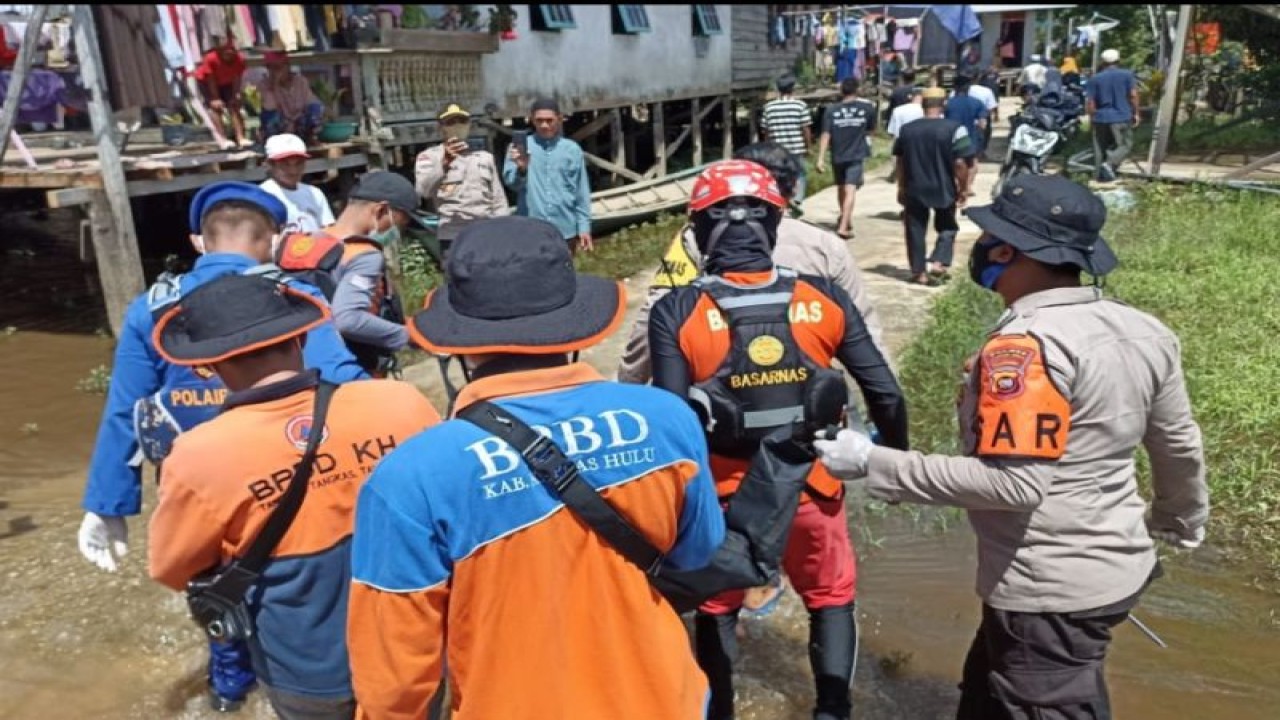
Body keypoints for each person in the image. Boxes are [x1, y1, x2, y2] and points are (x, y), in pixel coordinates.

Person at [813, 173, 1209, 720]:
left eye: (987, 237)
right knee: (989, 690)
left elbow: (1014, 484)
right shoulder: (1142, 329)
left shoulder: (1025, 347)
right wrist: (1178, 519)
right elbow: (1179, 445)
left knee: (1044, 700)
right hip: (1117, 566)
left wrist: (870, 461)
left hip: (1049, 588)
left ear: (1005, 250)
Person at [346, 215, 726, 719]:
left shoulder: (409, 479)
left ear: (457, 344)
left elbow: (393, 686)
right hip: (668, 699)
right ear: (576, 326)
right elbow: (698, 551)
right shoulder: (667, 418)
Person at [77, 181, 367, 712]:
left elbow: (126, 409)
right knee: (299, 584)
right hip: (287, 471)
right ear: (274, 238)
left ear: (199, 241)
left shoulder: (152, 307)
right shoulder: (294, 296)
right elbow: (342, 380)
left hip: (196, 482)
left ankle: (228, 694)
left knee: (218, 589)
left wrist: (108, 504)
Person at [647, 159, 909, 720]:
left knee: (718, 607)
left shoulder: (677, 309)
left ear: (699, 230)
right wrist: (895, 464)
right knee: (830, 597)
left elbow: (672, 421)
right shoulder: (824, 296)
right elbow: (884, 391)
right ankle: (832, 710)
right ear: (773, 224)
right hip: (812, 487)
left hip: (725, 500)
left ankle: (720, 712)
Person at [147, 273, 440, 719]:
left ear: (206, 365)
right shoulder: (400, 403)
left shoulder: (197, 458)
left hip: (308, 670)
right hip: (417, 646)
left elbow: (173, 568)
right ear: (301, 337)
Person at [617, 141, 889, 386]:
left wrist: (628, 384)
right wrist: (880, 391)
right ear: (793, 188)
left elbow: (653, 317)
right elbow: (866, 328)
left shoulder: (696, 239)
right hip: (808, 393)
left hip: (718, 391)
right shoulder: (826, 246)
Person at [323, 171, 433, 376]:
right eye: (398, 224)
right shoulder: (364, 256)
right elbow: (348, 319)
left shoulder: (314, 240)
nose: (397, 232)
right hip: (354, 369)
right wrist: (409, 335)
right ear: (381, 210)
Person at [894, 87, 974, 285]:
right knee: (948, 226)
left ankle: (919, 273)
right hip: (943, 187)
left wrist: (901, 187)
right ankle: (939, 261)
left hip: (914, 187)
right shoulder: (955, 128)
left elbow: (900, 162)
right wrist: (964, 187)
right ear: (944, 104)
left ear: (922, 104)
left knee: (915, 229)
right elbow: (960, 163)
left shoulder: (907, 130)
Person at [414, 103, 509, 259]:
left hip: (486, 232)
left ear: (469, 125)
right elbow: (423, 191)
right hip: (453, 235)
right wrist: (444, 164)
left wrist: (503, 229)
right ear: (441, 127)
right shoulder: (429, 157)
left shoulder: (484, 157)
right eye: (450, 122)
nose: (457, 126)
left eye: (462, 121)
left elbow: (498, 199)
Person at [502, 97, 593, 254]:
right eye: (539, 120)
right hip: (530, 229)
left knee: (564, 269)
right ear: (532, 120)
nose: (544, 125)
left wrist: (584, 227)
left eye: (549, 120)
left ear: (559, 119)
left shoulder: (572, 150)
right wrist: (522, 169)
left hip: (565, 228)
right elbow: (512, 184)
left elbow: (581, 192)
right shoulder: (518, 149)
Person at [816, 78, 877, 239]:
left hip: (838, 155)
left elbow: (825, 134)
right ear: (857, 90)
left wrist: (820, 158)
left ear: (841, 90)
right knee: (850, 190)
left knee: (842, 188)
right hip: (856, 155)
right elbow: (871, 131)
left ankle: (845, 218)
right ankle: (843, 226)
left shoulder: (831, 110)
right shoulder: (867, 108)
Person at [260, 133, 335, 233]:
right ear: (269, 165)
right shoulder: (263, 197)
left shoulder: (315, 193)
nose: (293, 171)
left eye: (298, 163)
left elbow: (328, 229)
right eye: (285, 164)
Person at [1086, 49, 1140, 182]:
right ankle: (1109, 164)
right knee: (1125, 145)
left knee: (1100, 148)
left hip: (1100, 117)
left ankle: (1099, 177)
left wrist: (1092, 118)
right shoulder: (1127, 75)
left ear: (1102, 62)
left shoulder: (1095, 78)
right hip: (1121, 116)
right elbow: (1133, 95)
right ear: (1118, 61)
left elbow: (1090, 102)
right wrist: (1136, 113)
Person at [759, 74, 814, 202]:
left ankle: (782, 199)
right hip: (796, 150)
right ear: (792, 88)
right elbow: (805, 129)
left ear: (778, 89)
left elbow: (766, 131)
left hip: (777, 151)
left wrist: (768, 148)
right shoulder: (800, 105)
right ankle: (797, 200)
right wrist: (809, 147)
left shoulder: (769, 107)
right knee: (799, 174)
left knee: (779, 176)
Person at [256, 50, 324, 144]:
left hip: (298, 123)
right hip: (279, 128)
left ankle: (310, 137)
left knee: (315, 108)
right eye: (271, 68)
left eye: (278, 67)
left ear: (287, 66)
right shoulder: (264, 84)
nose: (275, 71)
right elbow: (270, 108)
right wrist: (274, 85)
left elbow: (310, 102)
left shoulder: (300, 81)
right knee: (270, 116)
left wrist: (295, 121)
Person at [194, 36, 248, 147]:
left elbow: (237, 77)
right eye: (226, 51)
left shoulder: (239, 59)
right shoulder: (211, 58)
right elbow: (211, 79)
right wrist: (215, 97)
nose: (229, 53)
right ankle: (222, 139)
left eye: (232, 50)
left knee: (234, 106)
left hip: (227, 82)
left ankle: (241, 137)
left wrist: (236, 94)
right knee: (216, 108)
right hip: (207, 82)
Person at [944, 75, 990, 196]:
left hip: (951, 137)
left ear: (954, 87)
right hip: (971, 136)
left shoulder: (948, 103)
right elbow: (983, 124)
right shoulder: (977, 102)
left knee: (953, 162)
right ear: (968, 87)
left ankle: (957, 185)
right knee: (972, 163)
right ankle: (968, 187)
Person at [952, 72, 999, 160]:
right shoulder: (979, 100)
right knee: (972, 159)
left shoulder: (949, 102)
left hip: (953, 134)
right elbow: (984, 122)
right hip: (973, 134)